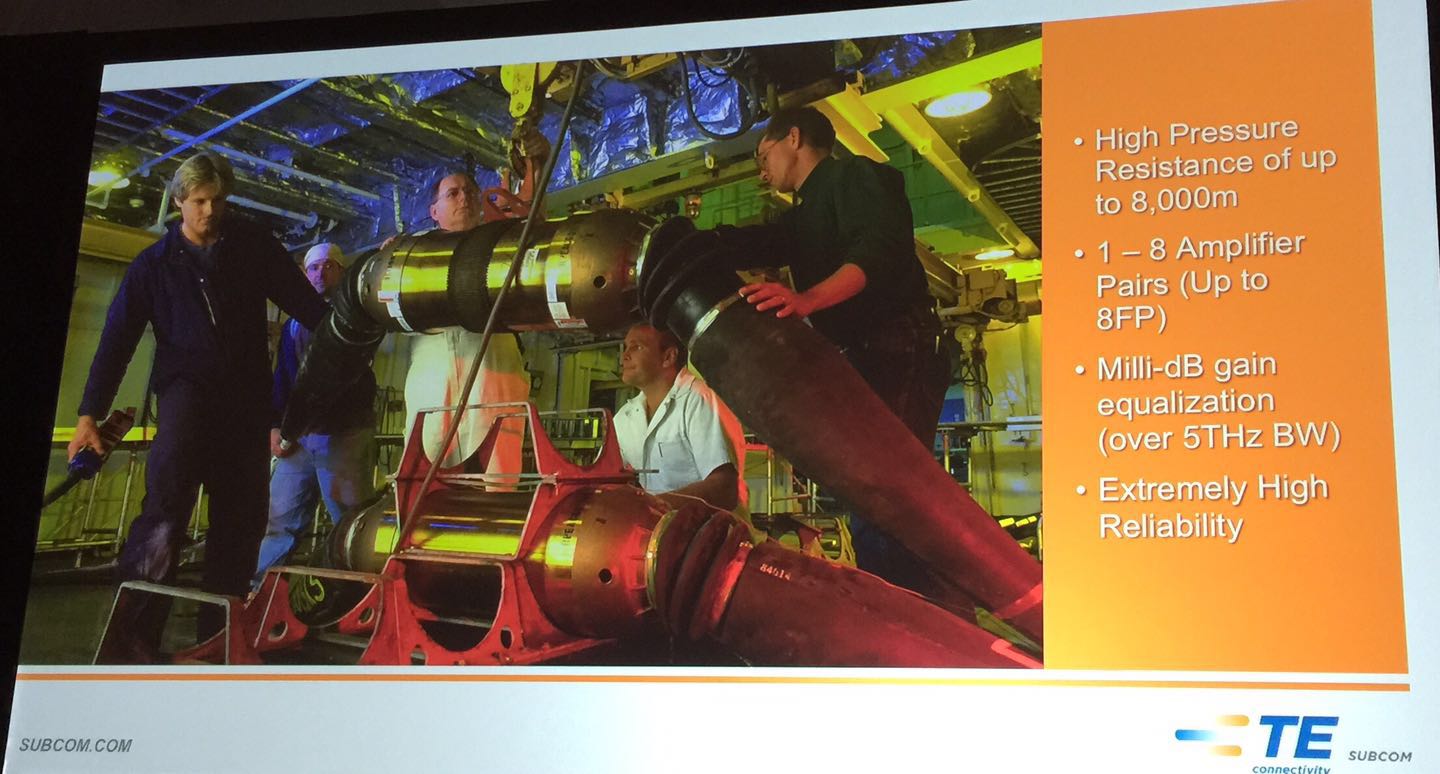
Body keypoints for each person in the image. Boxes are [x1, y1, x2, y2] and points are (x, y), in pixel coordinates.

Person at [71, 152, 328, 657]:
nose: (210, 211)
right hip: (185, 404)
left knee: (240, 523)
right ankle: (132, 643)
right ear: (178, 202)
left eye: (218, 201)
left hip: (246, 408)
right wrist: (88, 414)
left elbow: (309, 307)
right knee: (164, 516)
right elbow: (117, 341)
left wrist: (355, 321)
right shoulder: (153, 266)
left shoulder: (253, 246)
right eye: (199, 202)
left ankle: (218, 641)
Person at [719, 106, 949, 591]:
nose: (761, 170)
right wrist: (700, 243)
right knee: (871, 493)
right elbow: (766, 240)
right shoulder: (803, 216)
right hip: (867, 355)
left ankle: (914, 614)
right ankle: (901, 607)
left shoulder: (855, 177)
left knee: (886, 494)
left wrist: (807, 299)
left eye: (763, 154)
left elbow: (878, 251)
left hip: (899, 347)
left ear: (793, 138)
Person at [253, 243, 378, 586]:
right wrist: (276, 425)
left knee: (349, 523)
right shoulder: (293, 323)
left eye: (329, 266)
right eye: (314, 267)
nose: (320, 273)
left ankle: (356, 593)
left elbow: (344, 375)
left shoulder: (355, 317)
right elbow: (283, 377)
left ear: (342, 273)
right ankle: (258, 592)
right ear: (304, 274)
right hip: (298, 437)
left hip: (343, 433)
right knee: (279, 518)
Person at [402, 172, 530, 472]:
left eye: (471, 192)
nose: (465, 198)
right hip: (433, 378)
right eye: (453, 193)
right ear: (434, 211)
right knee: (425, 475)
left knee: (496, 475)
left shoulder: (503, 243)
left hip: (493, 373)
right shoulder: (412, 255)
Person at [613, 323, 748, 512]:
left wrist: (654, 505)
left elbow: (724, 488)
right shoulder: (625, 418)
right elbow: (610, 475)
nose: (625, 356)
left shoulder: (699, 400)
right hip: (661, 526)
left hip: (713, 526)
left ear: (668, 357)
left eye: (637, 347)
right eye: (626, 347)